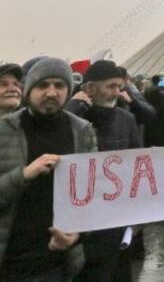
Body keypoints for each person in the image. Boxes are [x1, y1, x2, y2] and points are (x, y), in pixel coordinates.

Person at [0, 57, 97, 281]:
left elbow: (93, 198)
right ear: (28, 90)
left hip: (56, 265)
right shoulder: (5, 130)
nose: (52, 93)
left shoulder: (82, 131)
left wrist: (77, 236)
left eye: (59, 85)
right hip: (10, 262)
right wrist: (24, 174)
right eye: (43, 85)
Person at [66, 60, 140, 282]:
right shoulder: (75, 119)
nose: (116, 92)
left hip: (116, 215)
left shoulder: (127, 120)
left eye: (119, 86)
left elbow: (138, 164)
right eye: (110, 86)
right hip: (83, 218)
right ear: (90, 88)